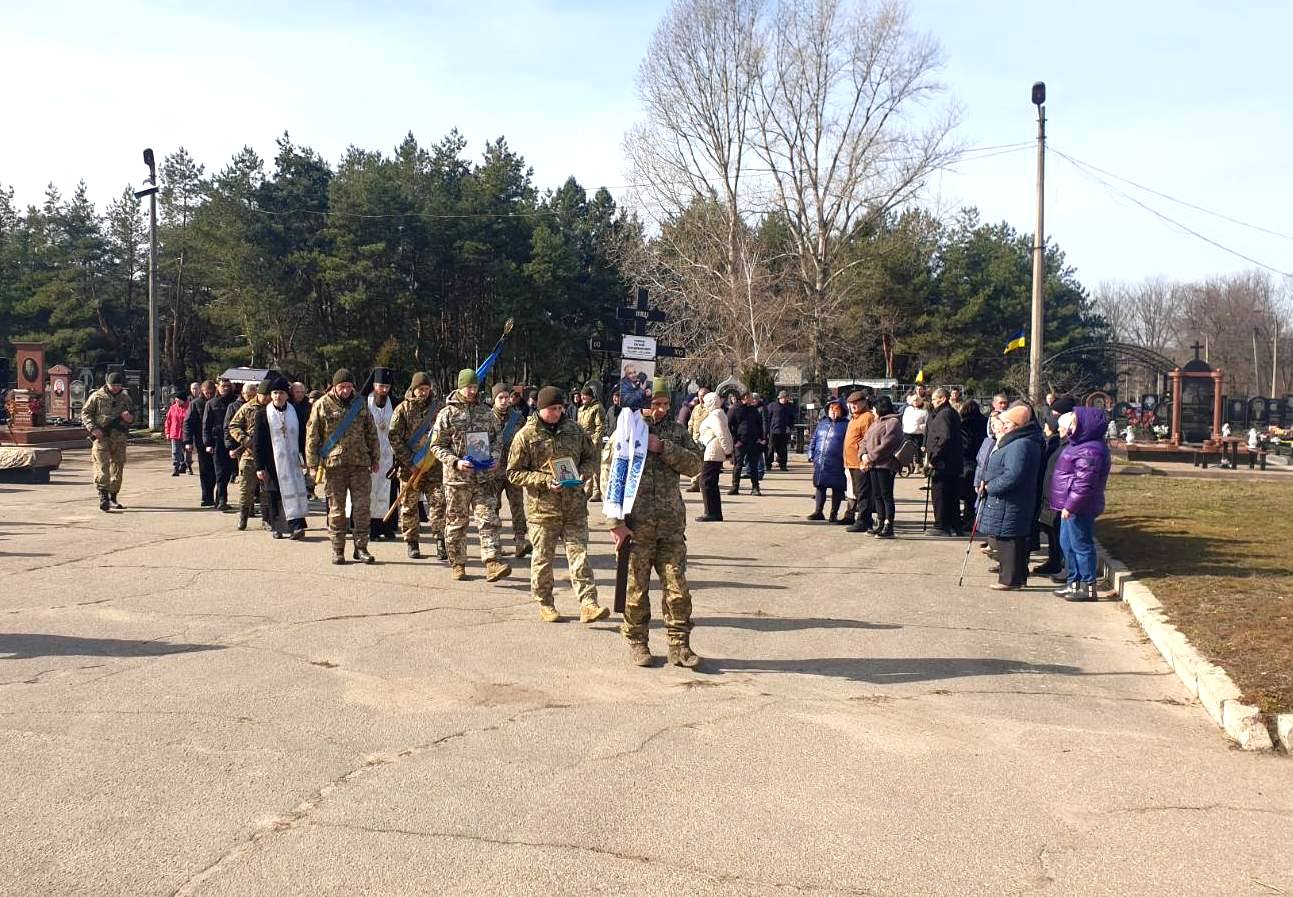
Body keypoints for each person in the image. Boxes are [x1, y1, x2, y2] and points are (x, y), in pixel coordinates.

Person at [607, 378, 704, 667]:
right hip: (635, 527)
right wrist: (615, 523)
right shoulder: (625, 431)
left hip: (670, 526)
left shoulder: (676, 432)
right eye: (654, 404)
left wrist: (663, 448)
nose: (660, 409)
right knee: (636, 592)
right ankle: (638, 642)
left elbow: (696, 465)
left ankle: (680, 645)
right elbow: (609, 476)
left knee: (678, 590)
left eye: (664, 404)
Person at [506, 386, 608, 623]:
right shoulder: (526, 435)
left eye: (560, 408)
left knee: (580, 556)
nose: (557, 412)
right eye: (552, 408)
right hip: (543, 510)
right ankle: (545, 603)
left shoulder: (574, 430)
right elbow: (513, 472)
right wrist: (544, 481)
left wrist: (584, 473)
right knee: (543, 560)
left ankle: (588, 604)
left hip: (574, 507)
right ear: (540, 408)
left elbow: (591, 457)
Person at [431, 368, 511, 582]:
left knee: (488, 519)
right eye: (469, 387)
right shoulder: (447, 414)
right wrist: (455, 462)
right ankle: (458, 563)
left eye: (475, 387)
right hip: (457, 480)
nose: (473, 391)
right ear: (460, 387)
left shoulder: (486, 412)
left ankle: (492, 562)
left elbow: (497, 439)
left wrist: (495, 458)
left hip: (483, 478)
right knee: (457, 523)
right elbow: (436, 446)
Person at [306, 369, 380, 565]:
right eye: (342, 387)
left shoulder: (360, 404)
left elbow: (371, 432)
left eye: (349, 386)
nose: (346, 390)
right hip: (334, 466)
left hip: (360, 464)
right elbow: (312, 436)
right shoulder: (322, 405)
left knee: (362, 508)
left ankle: (361, 548)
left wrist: (375, 458)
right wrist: (312, 465)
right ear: (334, 386)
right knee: (337, 510)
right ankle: (338, 549)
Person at [978, 404, 1045, 591]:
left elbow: (1013, 475)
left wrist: (991, 486)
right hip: (1009, 500)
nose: (1003, 426)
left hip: (1012, 500)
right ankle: (1015, 577)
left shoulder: (1020, 444)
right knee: (1009, 539)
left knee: (1010, 541)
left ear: (1017, 425)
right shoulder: (1017, 441)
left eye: (1007, 423)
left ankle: (1010, 579)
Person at [1050, 407, 1112, 602]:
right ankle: (1073, 582)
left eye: (1074, 423)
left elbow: (1084, 484)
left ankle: (1088, 586)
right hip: (1069, 505)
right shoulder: (1078, 444)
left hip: (1080, 506)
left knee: (1081, 545)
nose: (1070, 427)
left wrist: (1071, 506)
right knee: (1067, 544)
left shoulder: (1090, 450)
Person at [388, 372, 447, 560]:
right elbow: (394, 437)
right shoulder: (402, 409)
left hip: (434, 466)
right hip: (410, 468)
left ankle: (441, 541)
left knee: (439, 504)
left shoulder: (439, 409)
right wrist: (409, 462)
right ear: (413, 389)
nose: (423, 392)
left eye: (426, 389)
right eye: (420, 389)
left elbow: (448, 433)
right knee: (409, 506)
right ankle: (412, 542)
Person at [255, 376, 309, 540]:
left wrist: (304, 458)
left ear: (287, 395)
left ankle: (297, 526)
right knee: (274, 494)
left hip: (292, 461)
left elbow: (302, 437)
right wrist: (259, 466)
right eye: (275, 393)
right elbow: (258, 442)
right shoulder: (263, 414)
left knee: (294, 491)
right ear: (271, 395)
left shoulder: (295, 412)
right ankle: (276, 527)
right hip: (272, 462)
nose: (278, 396)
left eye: (281, 393)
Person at [351, 368, 397, 542]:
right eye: (380, 386)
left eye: (387, 387)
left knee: (388, 491)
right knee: (368, 492)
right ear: (373, 385)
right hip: (367, 454)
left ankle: (386, 526)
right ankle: (369, 527)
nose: (383, 390)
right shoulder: (362, 403)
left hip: (389, 456)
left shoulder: (395, 403)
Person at [81, 371, 135, 512]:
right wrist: (93, 428)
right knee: (102, 467)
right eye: (113, 385)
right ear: (107, 384)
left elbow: (133, 414)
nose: (116, 388)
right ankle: (103, 497)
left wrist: (129, 418)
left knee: (118, 467)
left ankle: (113, 496)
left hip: (119, 438)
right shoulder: (97, 396)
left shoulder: (125, 398)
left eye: (118, 385)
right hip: (102, 437)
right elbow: (85, 413)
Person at [492, 382, 530, 556]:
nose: (504, 401)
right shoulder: (486, 418)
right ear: (494, 399)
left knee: (517, 506)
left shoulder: (518, 419)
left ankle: (520, 541)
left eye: (506, 397)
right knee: (493, 508)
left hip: (513, 471)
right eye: (500, 397)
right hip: (492, 472)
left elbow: (526, 441)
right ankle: (495, 543)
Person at [227, 380, 270, 531]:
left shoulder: (273, 408)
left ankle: (267, 519)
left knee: (266, 490)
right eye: (264, 395)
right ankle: (243, 517)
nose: (266, 398)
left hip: (267, 455)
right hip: (249, 454)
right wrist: (244, 439)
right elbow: (233, 425)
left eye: (268, 395)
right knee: (246, 489)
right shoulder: (247, 407)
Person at [861, 396, 903, 539]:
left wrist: (871, 456)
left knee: (886, 495)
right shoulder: (876, 422)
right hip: (873, 464)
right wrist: (863, 455)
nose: (872, 410)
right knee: (877, 495)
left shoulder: (893, 422)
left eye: (874, 407)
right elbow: (865, 440)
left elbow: (887, 444)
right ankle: (880, 522)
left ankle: (888, 525)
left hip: (886, 465)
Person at [925, 387, 964, 536]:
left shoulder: (944, 414)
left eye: (934, 399)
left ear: (942, 399)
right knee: (951, 495)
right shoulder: (949, 413)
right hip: (951, 463)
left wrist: (934, 457)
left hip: (943, 463)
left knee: (941, 495)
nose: (932, 402)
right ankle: (954, 525)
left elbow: (944, 438)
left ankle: (941, 525)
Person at [807, 399, 849, 522]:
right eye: (831, 409)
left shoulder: (846, 425)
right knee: (820, 486)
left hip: (838, 461)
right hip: (821, 461)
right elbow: (814, 439)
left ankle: (833, 513)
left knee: (837, 488)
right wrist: (811, 453)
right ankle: (818, 511)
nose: (833, 411)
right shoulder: (822, 423)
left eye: (836, 409)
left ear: (842, 410)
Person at [695, 391, 733, 522]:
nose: (704, 404)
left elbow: (722, 433)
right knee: (711, 482)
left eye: (706, 402)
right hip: (714, 449)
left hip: (713, 451)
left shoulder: (714, 416)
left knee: (706, 482)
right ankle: (714, 512)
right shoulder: (719, 414)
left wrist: (728, 451)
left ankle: (711, 512)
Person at [202, 378, 237, 511]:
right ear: (218, 387)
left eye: (228, 386)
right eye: (223, 386)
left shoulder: (235, 402)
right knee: (220, 472)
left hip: (233, 441)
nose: (226, 388)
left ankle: (219, 498)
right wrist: (208, 443)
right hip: (218, 442)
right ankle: (222, 499)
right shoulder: (211, 403)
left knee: (228, 472)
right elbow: (206, 425)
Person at [843, 391, 875, 532]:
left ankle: (864, 520)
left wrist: (865, 459)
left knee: (863, 493)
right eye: (851, 404)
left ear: (864, 402)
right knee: (857, 492)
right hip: (851, 462)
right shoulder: (854, 418)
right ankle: (864, 518)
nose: (853, 406)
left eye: (856, 403)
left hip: (860, 462)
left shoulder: (867, 417)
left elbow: (869, 440)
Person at [727, 391, 765, 496]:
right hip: (740, 442)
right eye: (749, 397)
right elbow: (728, 426)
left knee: (753, 466)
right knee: (738, 465)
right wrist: (735, 440)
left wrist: (760, 438)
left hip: (753, 441)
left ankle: (755, 487)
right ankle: (735, 487)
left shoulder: (753, 410)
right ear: (743, 398)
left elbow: (759, 424)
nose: (752, 399)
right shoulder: (734, 409)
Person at [958, 400, 988, 530]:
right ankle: (974, 518)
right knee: (975, 493)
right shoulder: (985, 422)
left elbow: (965, 445)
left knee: (966, 492)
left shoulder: (963, 425)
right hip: (981, 460)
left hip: (966, 461)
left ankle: (967, 518)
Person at [185, 380, 216, 506]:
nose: (209, 395)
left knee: (216, 471)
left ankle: (218, 497)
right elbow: (188, 423)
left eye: (211, 393)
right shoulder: (195, 403)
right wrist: (188, 441)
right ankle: (206, 497)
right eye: (206, 393)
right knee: (205, 470)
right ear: (202, 391)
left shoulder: (217, 402)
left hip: (216, 441)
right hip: (201, 442)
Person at [576, 385, 607, 502]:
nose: (583, 397)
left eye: (585, 395)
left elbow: (600, 426)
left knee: (596, 467)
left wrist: (595, 442)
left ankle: (597, 491)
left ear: (590, 396)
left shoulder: (597, 408)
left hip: (593, 442)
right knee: (585, 466)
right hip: (582, 442)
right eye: (582, 395)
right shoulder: (581, 409)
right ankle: (586, 490)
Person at [768, 391, 796, 472]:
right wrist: (768, 429)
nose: (784, 399)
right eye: (782, 398)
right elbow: (767, 417)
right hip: (773, 431)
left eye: (785, 398)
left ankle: (783, 465)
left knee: (783, 449)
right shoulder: (772, 406)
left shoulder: (789, 407)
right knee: (770, 449)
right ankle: (768, 464)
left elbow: (792, 418)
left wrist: (790, 427)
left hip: (784, 431)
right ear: (779, 398)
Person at [164, 390, 189, 476]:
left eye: (178, 399)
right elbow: (168, 421)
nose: (176, 400)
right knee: (175, 452)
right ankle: (176, 468)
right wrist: (167, 432)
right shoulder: (172, 408)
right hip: (174, 433)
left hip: (186, 434)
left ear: (183, 399)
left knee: (187, 452)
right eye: (176, 399)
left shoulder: (189, 407)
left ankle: (187, 465)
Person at [901, 393, 928, 465]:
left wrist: (921, 427)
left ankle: (917, 465)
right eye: (914, 400)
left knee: (918, 450)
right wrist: (903, 428)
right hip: (907, 432)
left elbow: (927, 422)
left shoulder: (924, 411)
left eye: (917, 400)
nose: (915, 402)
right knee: (907, 450)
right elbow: (904, 420)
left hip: (918, 433)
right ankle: (909, 464)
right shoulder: (907, 409)